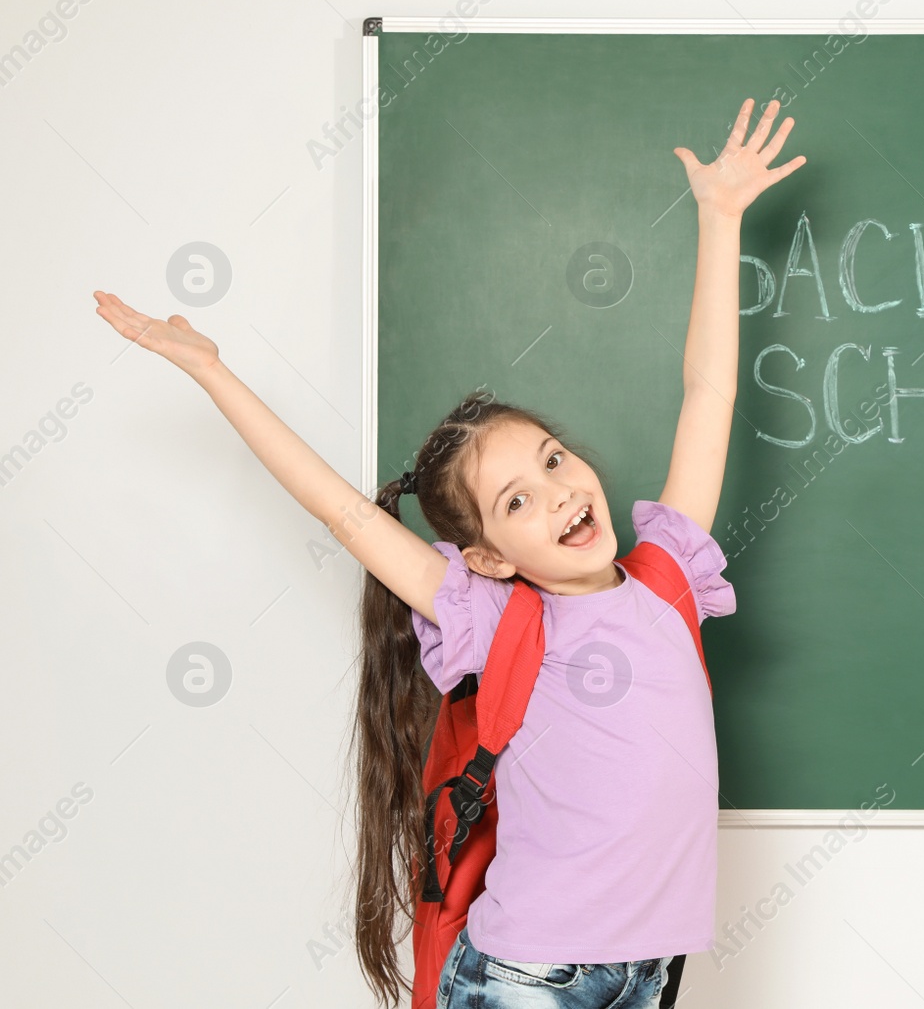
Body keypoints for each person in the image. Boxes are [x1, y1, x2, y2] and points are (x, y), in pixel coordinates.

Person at [92, 97, 805, 1008]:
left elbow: (707, 392)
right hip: (530, 977)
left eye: (553, 460)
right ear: (490, 558)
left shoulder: (667, 577)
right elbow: (343, 514)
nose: (558, 492)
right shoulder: (501, 616)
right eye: (517, 500)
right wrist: (212, 370)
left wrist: (720, 219)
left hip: (651, 973)